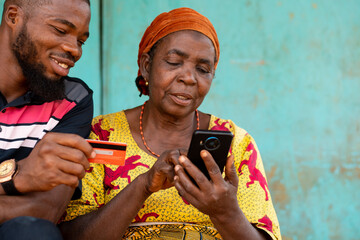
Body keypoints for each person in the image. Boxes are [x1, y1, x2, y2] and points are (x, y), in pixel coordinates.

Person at [60, 7, 281, 240]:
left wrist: (225, 212)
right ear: (147, 65)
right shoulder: (101, 136)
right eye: (174, 62)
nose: (189, 77)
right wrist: (144, 185)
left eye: (203, 69)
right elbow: (73, 236)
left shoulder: (236, 144)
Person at [0, 0, 95, 239]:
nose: (75, 50)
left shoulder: (72, 101)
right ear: (13, 17)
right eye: (61, 30)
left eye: (81, 41)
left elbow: (43, 211)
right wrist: (20, 175)